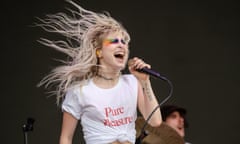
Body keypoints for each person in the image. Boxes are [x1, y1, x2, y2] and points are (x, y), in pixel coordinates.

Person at [37, 0, 162, 144]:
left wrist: (145, 81)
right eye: (114, 41)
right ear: (99, 52)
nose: (122, 45)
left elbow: (155, 121)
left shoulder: (133, 82)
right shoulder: (80, 91)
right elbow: (65, 138)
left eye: (124, 42)